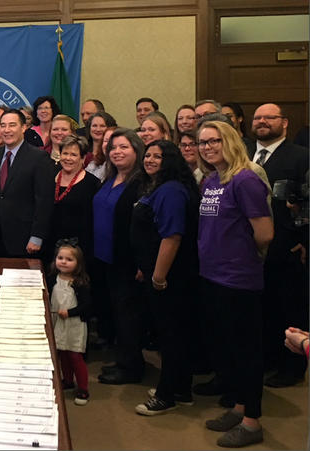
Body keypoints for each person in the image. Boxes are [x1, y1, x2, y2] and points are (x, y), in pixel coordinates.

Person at [197, 121, 273, 448]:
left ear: (229, 141)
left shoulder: (246, 179)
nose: (207, 147)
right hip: (212, 275)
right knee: (229, 349)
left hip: (238, 279)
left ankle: (253, 422)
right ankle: (240, 407)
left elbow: (265, 233)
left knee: (247, 352)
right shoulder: (212, 179)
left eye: (214, 141)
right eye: (202, 142)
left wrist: (241, 255)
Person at [131, 140, 200, 415]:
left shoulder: (171, 191)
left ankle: (166, 396)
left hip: (170, 278)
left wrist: (158, 276)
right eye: (147, 155)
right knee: (174, 333)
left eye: (158, 157)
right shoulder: (160, 187)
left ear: (170, 160)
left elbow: (171, 237)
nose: (150, 160)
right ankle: (180, 389)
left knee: (171, 336)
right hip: (156, 271)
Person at [246, 103, 309, 388]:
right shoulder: (244, 154)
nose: (262, 122)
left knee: (289, 309)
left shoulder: (301, 157)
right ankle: (267, 359)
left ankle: (292, 368)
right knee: (261, 310)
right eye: (258, 117)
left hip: (287, 249)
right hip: (249, 251)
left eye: (269, 117)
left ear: (284, 123)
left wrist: (304, 241)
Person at [94, 128, 147, 385]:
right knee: (118, 313)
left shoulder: (140, 184)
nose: (117, 152)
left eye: (124, 147)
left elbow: (145, 228)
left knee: (129, 316)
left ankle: (132, 368)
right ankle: (124, 359)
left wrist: (141, 262)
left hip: (128, 261)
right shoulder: (110, 178)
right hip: (106, 258)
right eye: (113, 148)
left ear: (137, 150)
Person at [0, 109, 54, 257]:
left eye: (12, 125)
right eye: (3, 125)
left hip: (25, 239)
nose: (6, 130)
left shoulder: (39, 158)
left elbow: (44, 201)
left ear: (23, 128)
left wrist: (37, 236)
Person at [47, 241, 92, 406]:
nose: (63, 262)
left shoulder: (79, 283)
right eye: (60, 258)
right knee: (62, 353)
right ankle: (67, 380)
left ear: (78, 264)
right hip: (58, 322)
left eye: (69, 259)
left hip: (74, 324)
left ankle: (83, 388)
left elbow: (87, 306)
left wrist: (70, 312)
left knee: (74, 355)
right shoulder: (53, 278)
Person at [48, 135, 100, 265]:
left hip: (78, 248)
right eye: (65, 153)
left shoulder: (92, 183)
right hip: (49, 244)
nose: (68, 158)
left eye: (73, 154)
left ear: (82, 158)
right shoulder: (49, 175)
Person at [85, 113, 117, 181]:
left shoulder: (114, 156)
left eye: (102, 126)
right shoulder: (83, 152)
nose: (98, 129)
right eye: (94, 126)